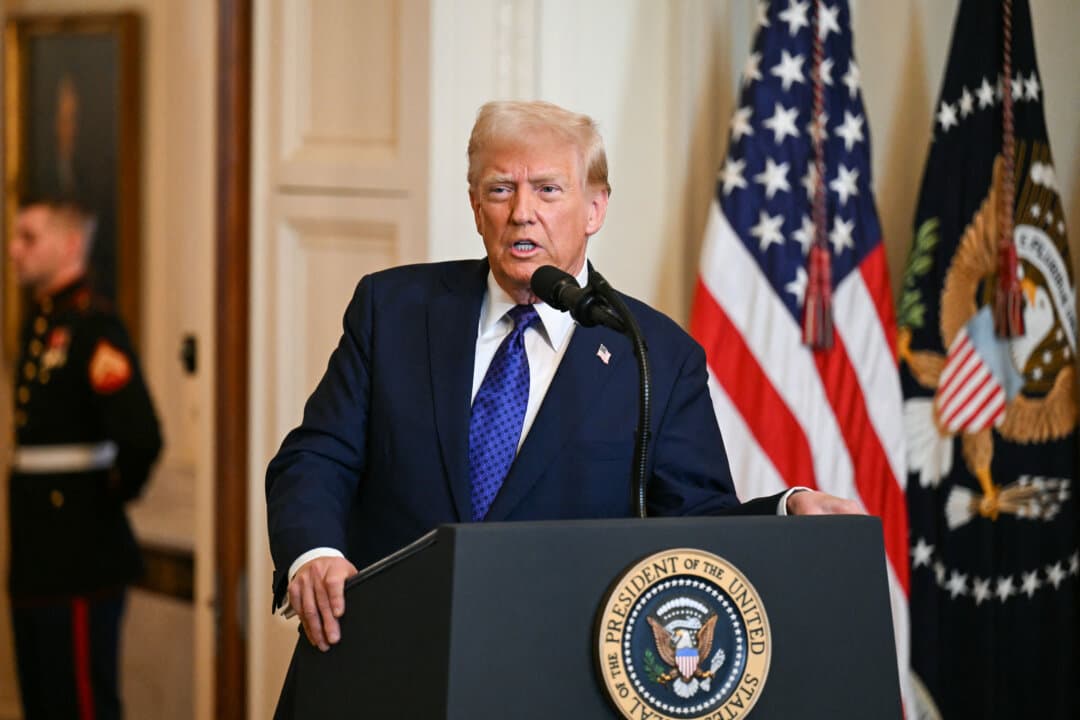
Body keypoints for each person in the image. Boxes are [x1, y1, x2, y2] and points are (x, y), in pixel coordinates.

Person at [266, 100, 860, 654]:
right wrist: (313, 552)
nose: (521, 212)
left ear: (595, 208)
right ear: (475, 207)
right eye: (500, 189)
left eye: (548, 190)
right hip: (384, 653)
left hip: (552, 662)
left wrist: (784, 512)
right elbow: (316, 457)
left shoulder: (653, 354)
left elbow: (695, 522)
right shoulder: (393, 308)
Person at [6, 195, 162, 719]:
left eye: (29, 238)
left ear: (70, 244)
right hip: (37, 553)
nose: (14, 250)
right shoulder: (42, 323)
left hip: (78, 551)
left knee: (82, 705)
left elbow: (141, 437)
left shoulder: (94, 327)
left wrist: (102, 502)